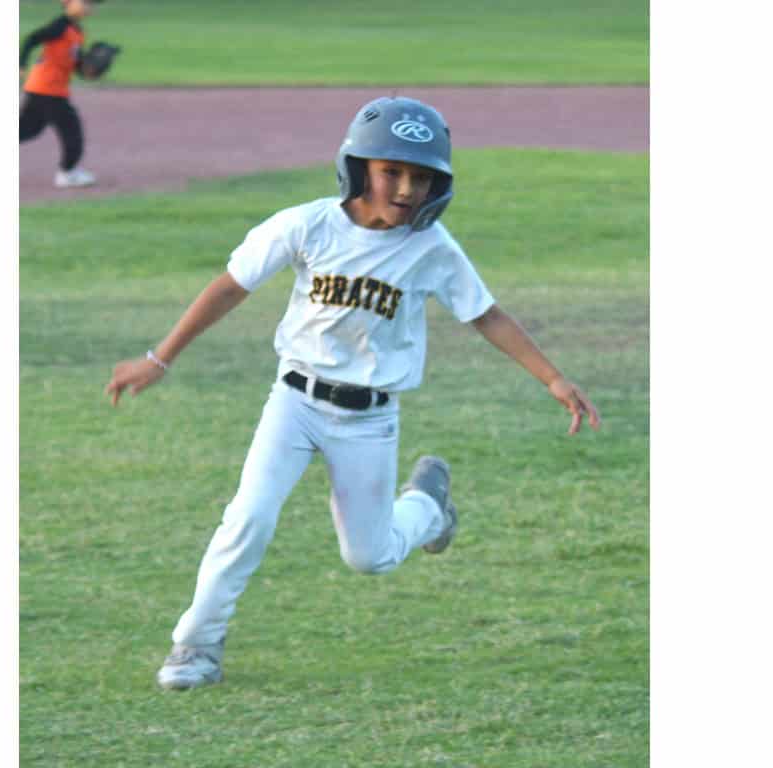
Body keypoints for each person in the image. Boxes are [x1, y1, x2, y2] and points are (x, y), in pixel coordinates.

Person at [105, 96, 602, 691]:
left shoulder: (431, 246)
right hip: (295, 401)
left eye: (422, 177)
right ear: (358, 166)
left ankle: (428, 508)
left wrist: (552, 377)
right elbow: (231, 287)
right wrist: (159, 357)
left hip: (369, 418)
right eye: (392, 171)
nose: (407, 188)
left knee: (370, 557)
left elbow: (486, 315)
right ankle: (197, 645)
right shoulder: (308, 225)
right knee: (248, 517)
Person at [19, 0, 97, 189]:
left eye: (91, 3)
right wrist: (21, 64)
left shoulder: (77, 32)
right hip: (48, 90)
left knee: (28, 129)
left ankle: (68, 171)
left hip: (43, 89)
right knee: (72, 130)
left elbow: (76, 63)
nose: (88, 6)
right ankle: (67, 173)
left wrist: (88, 70)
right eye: (84, 2)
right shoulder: (60, 26)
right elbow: (32, 39)